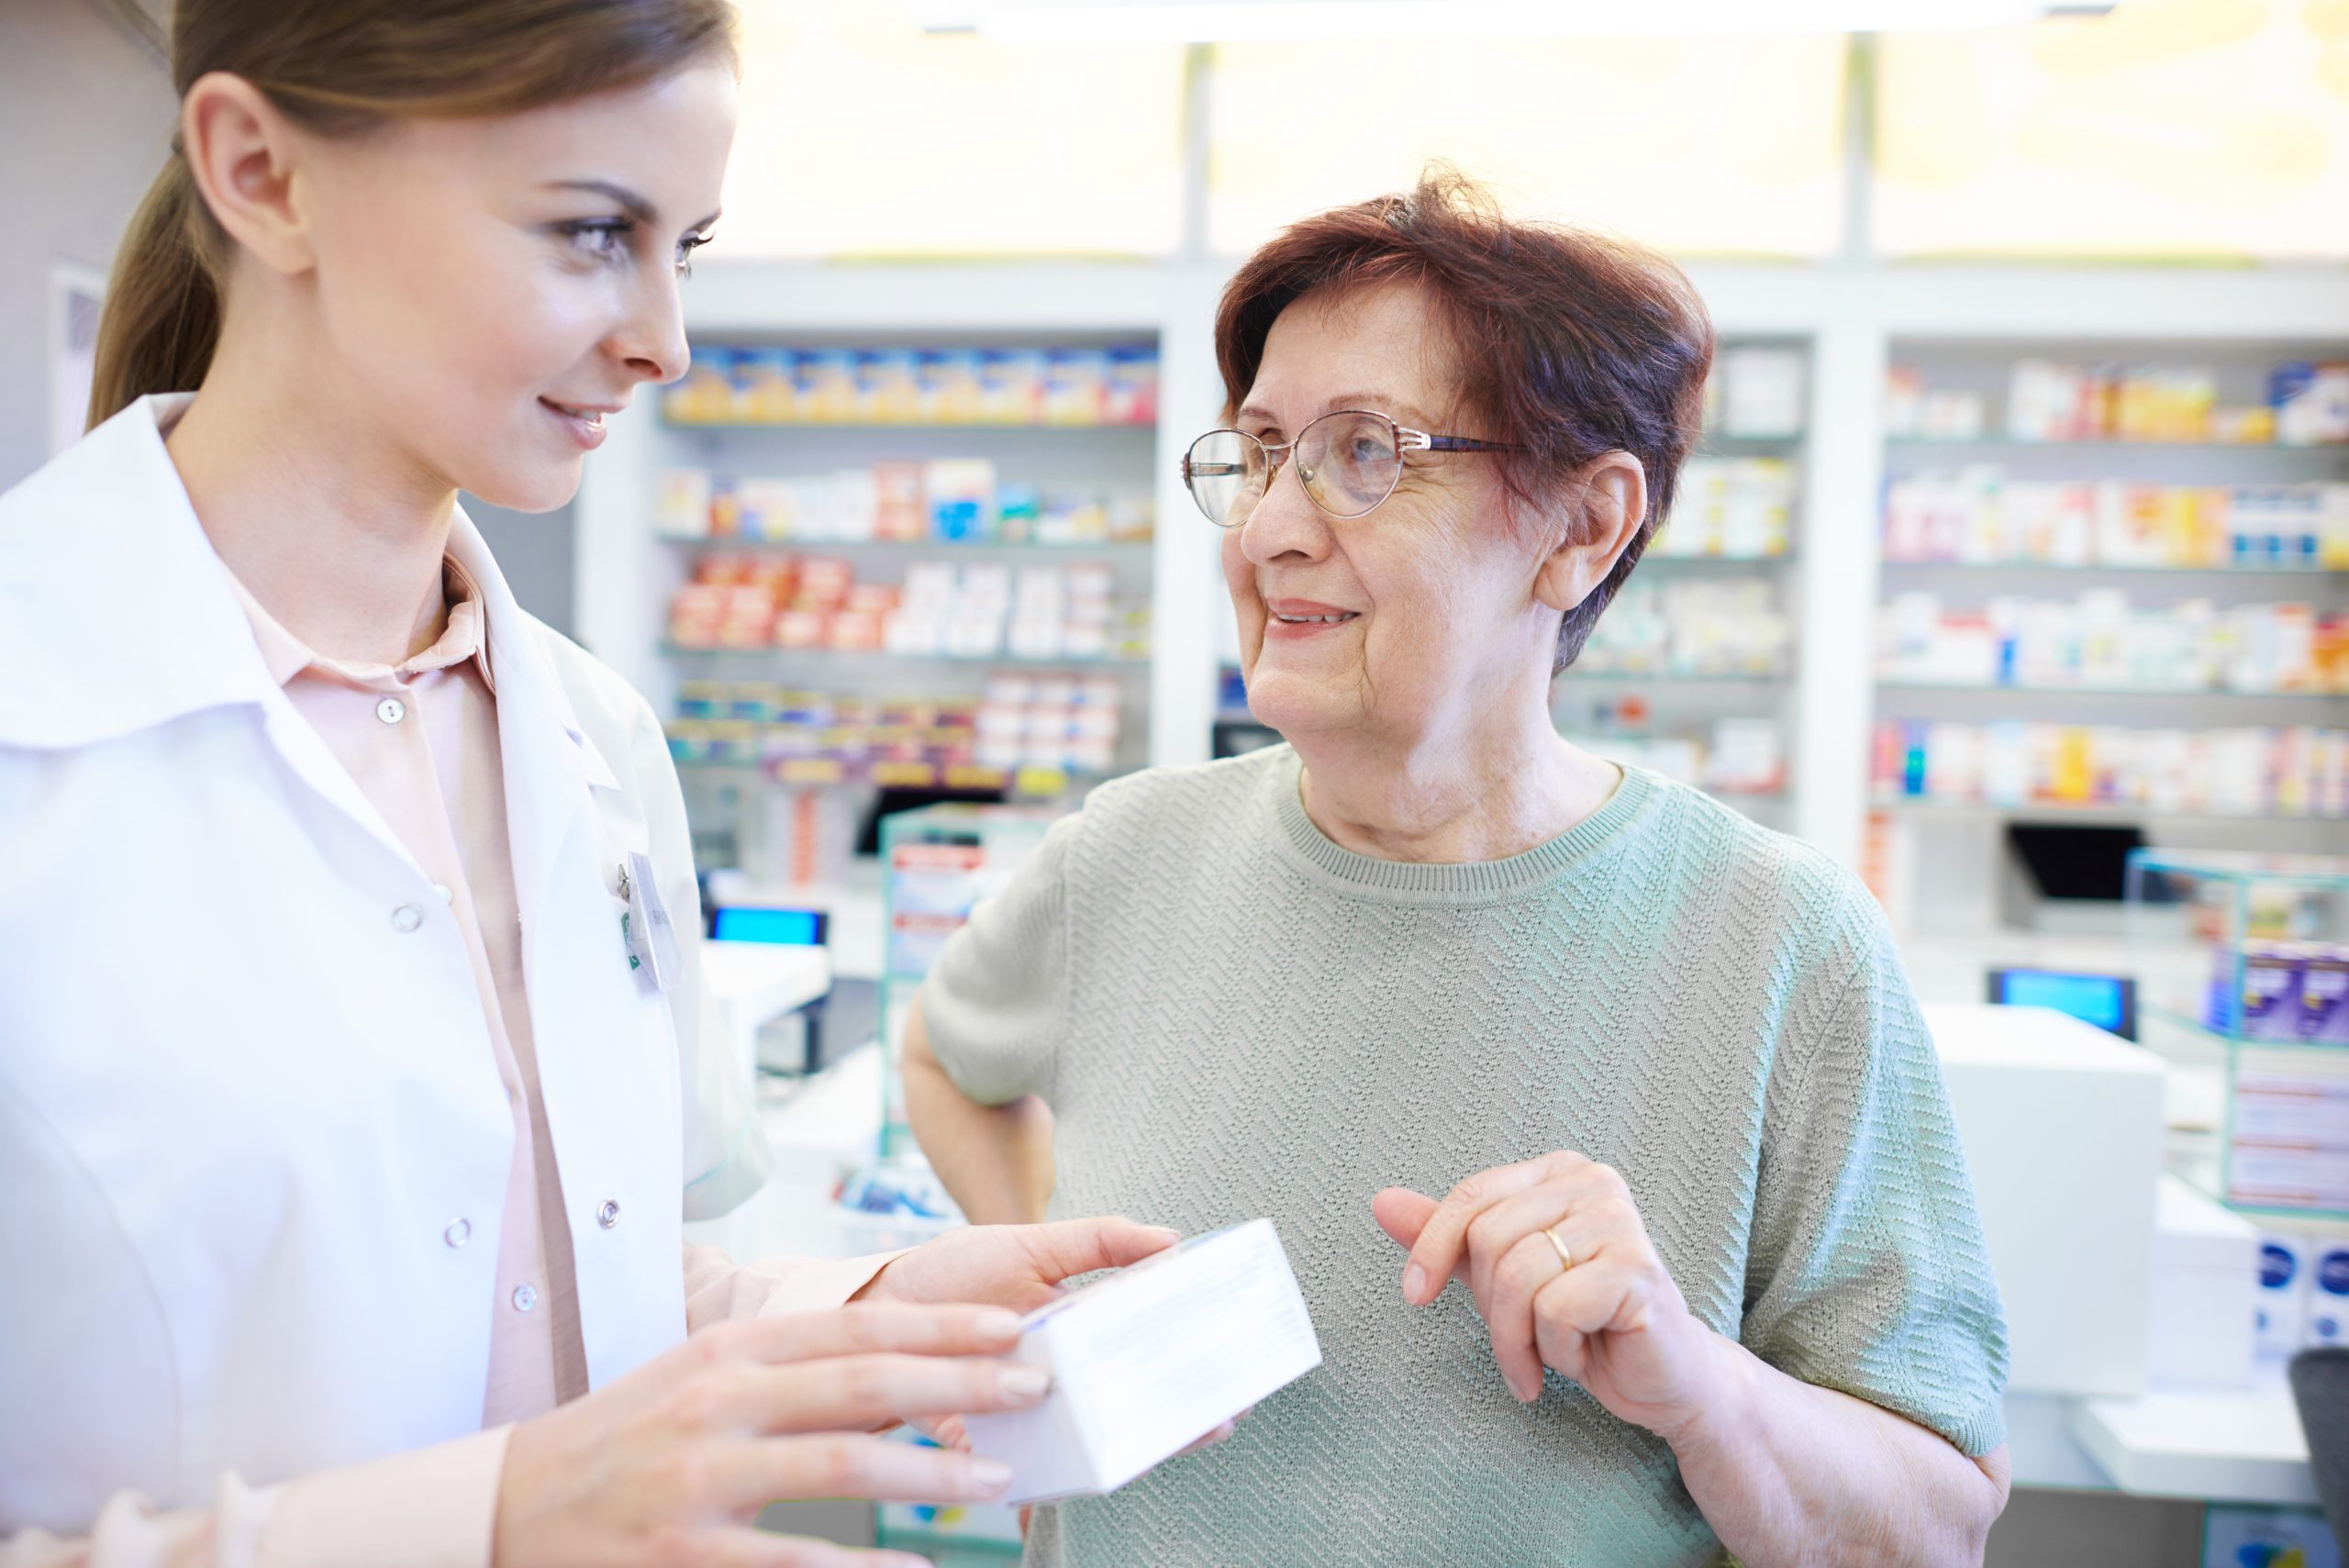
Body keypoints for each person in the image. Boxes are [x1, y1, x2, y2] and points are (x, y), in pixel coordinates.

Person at [0, 5, 1183, 1563]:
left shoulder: (592, 735)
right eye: (590, 232)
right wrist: (482, 1523)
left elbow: (574, 1299)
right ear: (264, 174)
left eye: (684, 246)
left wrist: (875, 1306)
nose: (665, 341)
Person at [903, 172, 2014, 1568]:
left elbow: (1941, 1525)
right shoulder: (1124, 855)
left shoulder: (1783, 943)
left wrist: (1700, 1384)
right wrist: (1072, 1311)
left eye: (1365, 452)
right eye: (1261, 452)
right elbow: (943, 1054)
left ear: (1582, 527)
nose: (1269, 528)